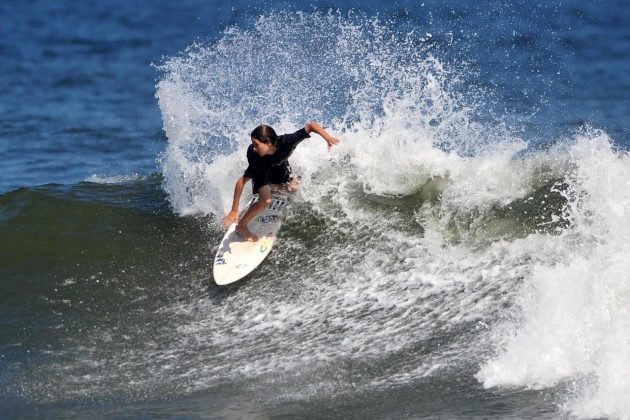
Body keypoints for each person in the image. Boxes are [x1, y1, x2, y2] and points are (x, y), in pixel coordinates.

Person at [223, 122, 339, 241]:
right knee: (266, 201)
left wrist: (328, 138)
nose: (254, 147)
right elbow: (241, 182)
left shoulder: (287, 142)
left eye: (256, 144)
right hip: (263, 164)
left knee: (292, 188)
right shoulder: (257, 158)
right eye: (253, 144)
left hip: (279, 160)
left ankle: (271, 186)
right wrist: (234, 210)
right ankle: (242, 226)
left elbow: (311, 126)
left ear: (268, 142)